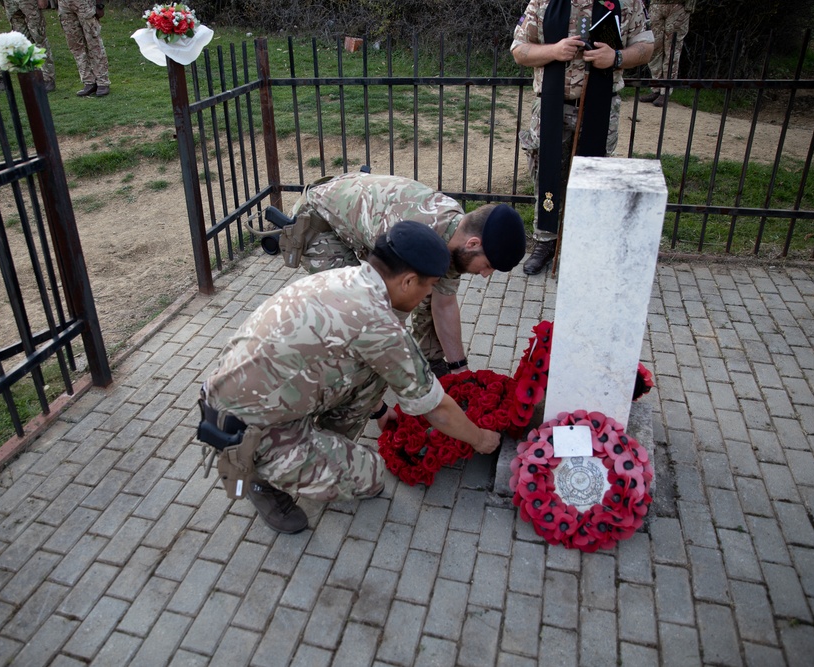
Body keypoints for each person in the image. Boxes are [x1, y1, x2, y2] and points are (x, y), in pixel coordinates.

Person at [199, 221, 503, 533]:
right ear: (409, 281)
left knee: (374, 374)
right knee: (370, 476)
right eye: (429, 287)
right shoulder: (379, 324)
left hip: (252, 393)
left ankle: (313, 443)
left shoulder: (343, 276)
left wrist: (380, 409)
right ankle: (260, 477)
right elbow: (436, 407)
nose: (428, 295)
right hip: (242, 428)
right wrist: (481, 439)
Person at [268, 172, 527, 377]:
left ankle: (431, 361)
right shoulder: (414, 233)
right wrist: (403, 377)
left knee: (426, 286)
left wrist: (459, 368)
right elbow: (384, 313)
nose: (486, 275)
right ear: (473, 244)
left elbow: (444, 303)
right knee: (352, 308)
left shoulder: (454, 232)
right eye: (488, 266)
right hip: (319, 219)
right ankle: (346, 383)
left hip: (358, 212)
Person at [511, 0, 654, 274]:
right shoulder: (544, 2)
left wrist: (617, 58)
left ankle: (581, 244)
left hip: (599, 106)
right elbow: (519, 50)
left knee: (593, 177)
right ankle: (545, 242)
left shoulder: (626, 2)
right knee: (545, 171)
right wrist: (554, 50)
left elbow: (646, 46)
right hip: (552, 106)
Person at [641, 0, 695, 107]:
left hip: (679, 5)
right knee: (654, 46)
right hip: (656, 4)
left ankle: (665, 89)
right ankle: (656, 86)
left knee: (672, 48)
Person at [59, 0, 109, 97]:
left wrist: (99, 5)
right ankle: (88, 81)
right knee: (75, 45)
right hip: (64, 5)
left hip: (84, 4)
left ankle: (102, 82)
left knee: (94, 42)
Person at [3, 0, 55, 90]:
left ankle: (47, 78)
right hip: (11, 4)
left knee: (39, 39)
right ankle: (32, 77)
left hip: (29, 3)